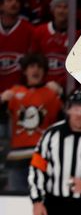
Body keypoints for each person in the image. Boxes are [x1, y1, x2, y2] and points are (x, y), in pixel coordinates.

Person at [1, 52, 62, 191]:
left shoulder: (51, 93)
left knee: (43, 197)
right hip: (17, 158)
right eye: (32, 66)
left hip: (44, 156)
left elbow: (66, 120)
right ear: (25, 70)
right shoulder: (14, 92)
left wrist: (61, 94)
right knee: (15, 199)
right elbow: (2, 118)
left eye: (40, 67)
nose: (36, 70)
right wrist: (2, 101)